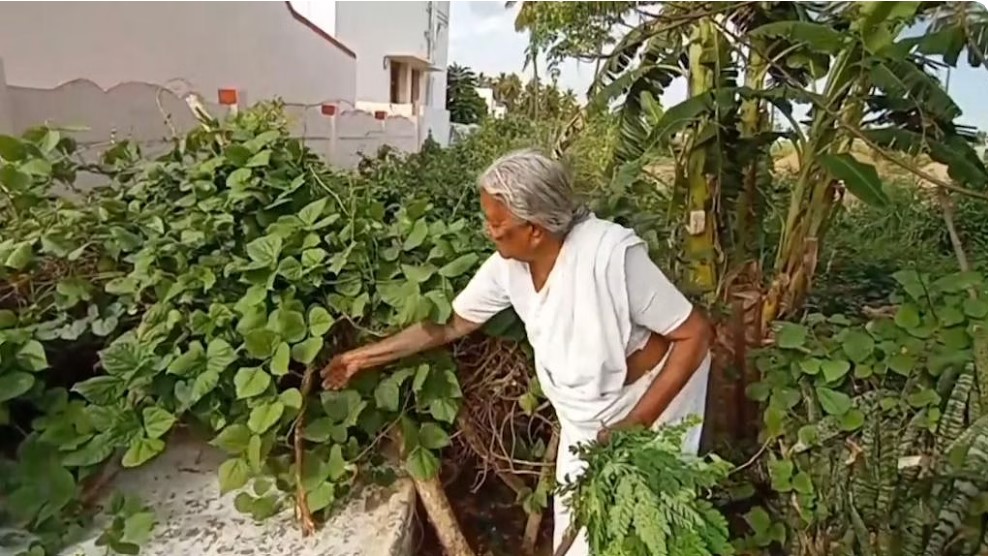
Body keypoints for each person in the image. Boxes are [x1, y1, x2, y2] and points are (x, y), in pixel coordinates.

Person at [321, 149, 712, 556]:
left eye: (497, 224)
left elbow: (695, 335)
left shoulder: (609, 256)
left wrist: (636, 423)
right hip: (583, 418)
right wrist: (362, 357)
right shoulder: (507, 268)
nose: (490, 233)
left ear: (536, 230)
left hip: (652, 402)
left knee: (644, 535)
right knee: (582, 540)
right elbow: (450, 325)